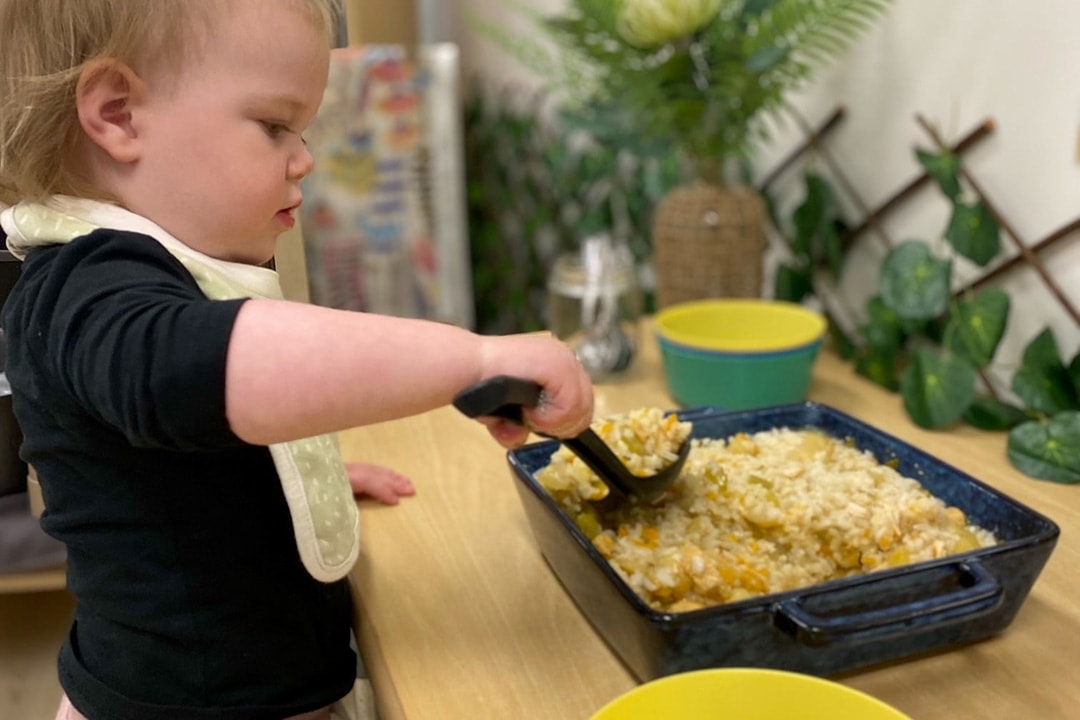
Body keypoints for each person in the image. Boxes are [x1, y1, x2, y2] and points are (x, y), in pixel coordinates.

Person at [0, 1, 594, 719]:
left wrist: (294, 474)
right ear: (120, 114)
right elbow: (202, 371)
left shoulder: (158, 266)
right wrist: (473, 357)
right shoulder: (81, 288)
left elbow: (166, 470)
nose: (304, 156)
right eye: (275, 125)